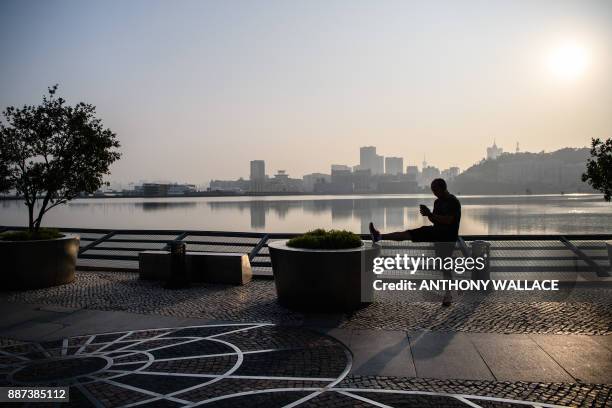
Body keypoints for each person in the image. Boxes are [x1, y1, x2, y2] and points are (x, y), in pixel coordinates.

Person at [369, 178, 461, 306]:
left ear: (443, 188)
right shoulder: (437, 202)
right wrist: (427, 214)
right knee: (408, 234)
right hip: (435, 233)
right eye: (432, 190)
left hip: (447, 238)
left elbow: (449, 220)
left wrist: (430, 214)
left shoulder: (453, 201)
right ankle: (379, 236)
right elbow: (435, 220)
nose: (434, 192)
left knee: (444, 266)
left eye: (435, 189)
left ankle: (448, 295)